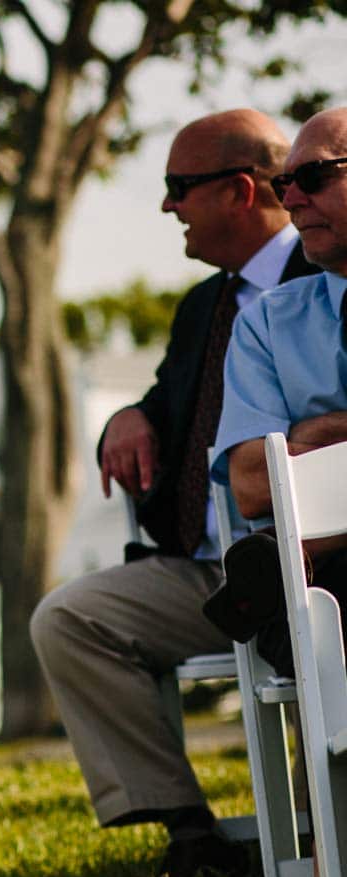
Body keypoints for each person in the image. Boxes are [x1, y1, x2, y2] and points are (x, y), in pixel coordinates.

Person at [29, 109, 316, 877]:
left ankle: (325, 829)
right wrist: (126, 417)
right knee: (69, 618)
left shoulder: (325, 280)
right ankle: (190, 829)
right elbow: (162, 405)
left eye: (177, 189)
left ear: (240, 191)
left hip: (309, 560)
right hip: (201, 569)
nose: (166, 208)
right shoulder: (202, 308)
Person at [211, 107, 347, 663]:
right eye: (283, 183)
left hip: (311, 559)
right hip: (325, 585)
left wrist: (312, 437)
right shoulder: (265, 322)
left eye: (312, 178)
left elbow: (284, 474)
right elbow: (251, 481)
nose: (289, 201)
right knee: (306, 610)